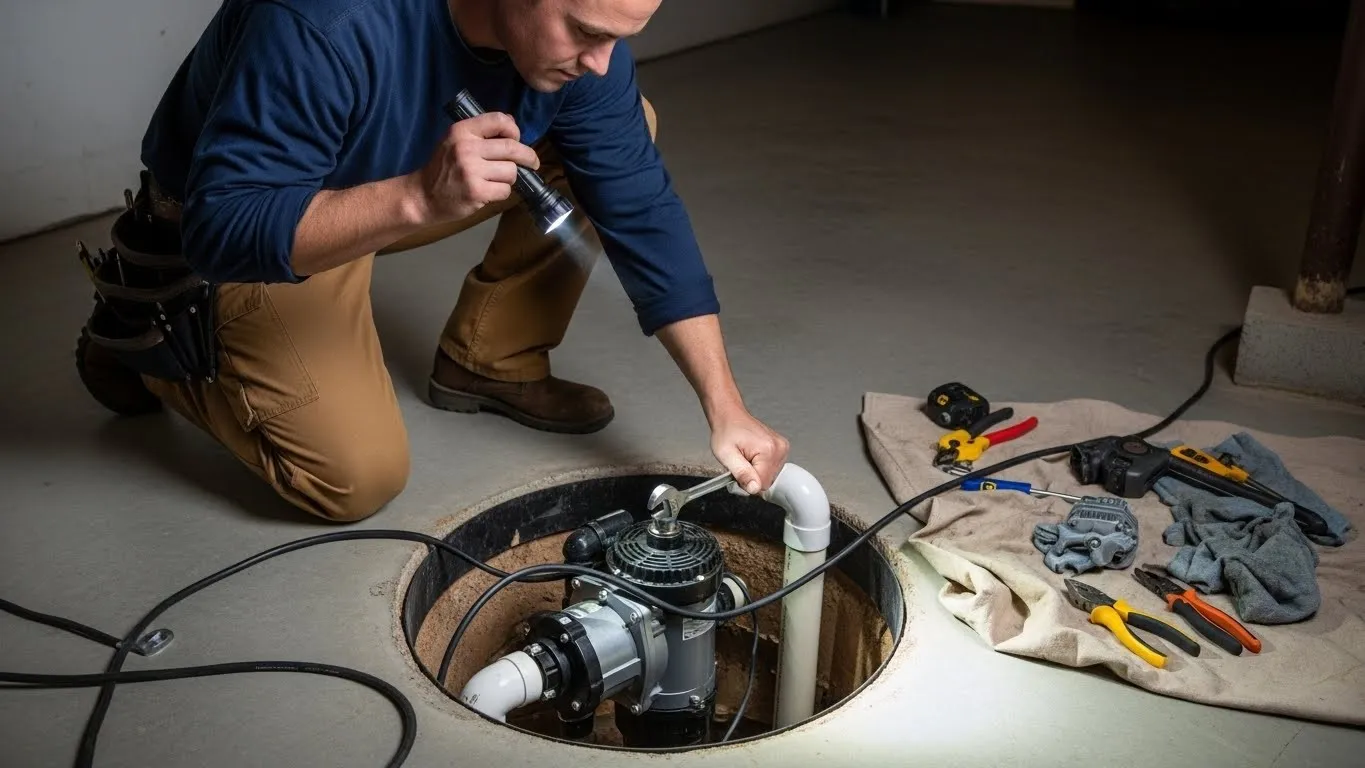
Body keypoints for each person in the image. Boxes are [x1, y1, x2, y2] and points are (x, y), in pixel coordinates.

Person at [75, 0, 790, 522]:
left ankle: (490, 361)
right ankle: (150, 343)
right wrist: (417, 197)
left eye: (618, 37)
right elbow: (223, 227)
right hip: (279, 220)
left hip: (412, 181)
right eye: (585, 32)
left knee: (623, 133)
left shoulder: (583, 50)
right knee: (355, 478)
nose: (601, 60)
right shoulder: (321, 20)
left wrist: (726, 408)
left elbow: (642, 210)